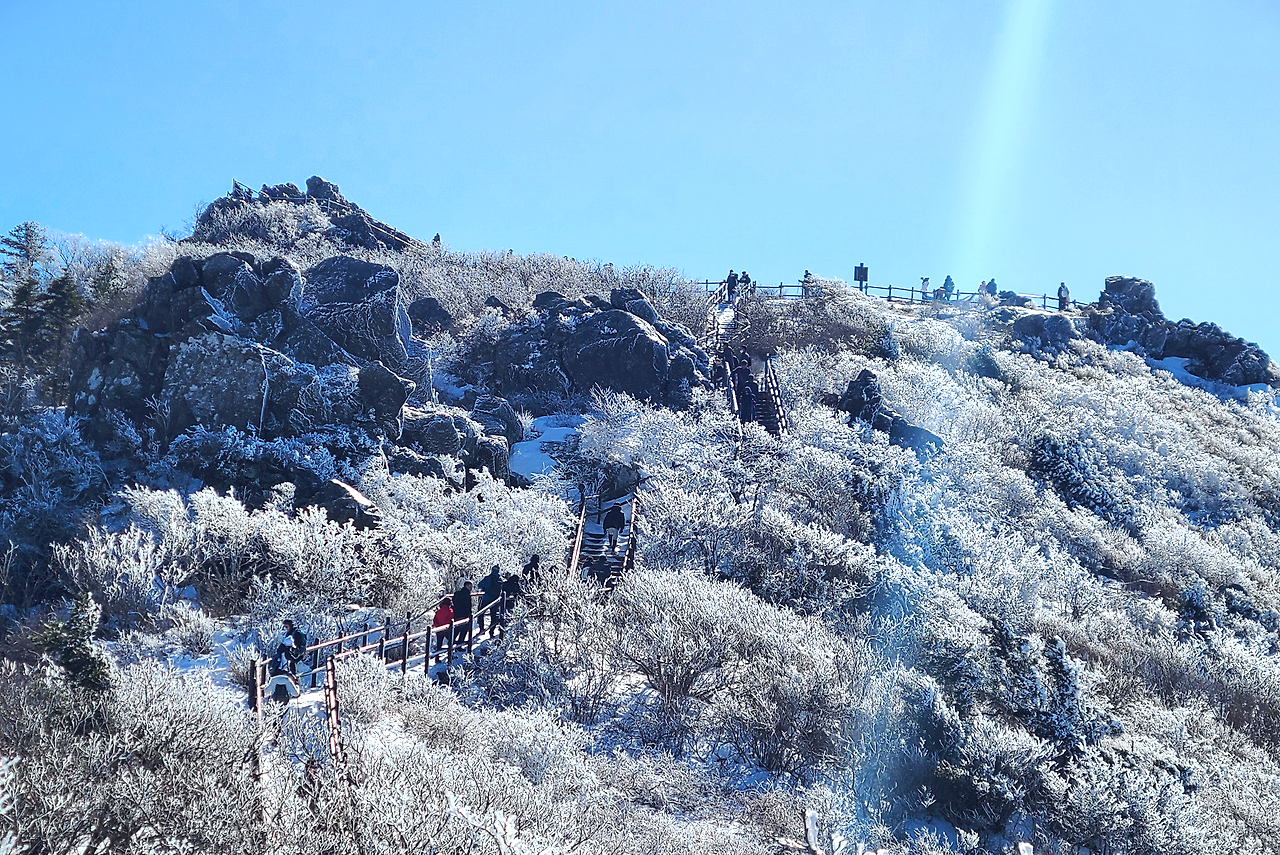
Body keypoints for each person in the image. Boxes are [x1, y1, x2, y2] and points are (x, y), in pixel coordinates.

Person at [477, 565, 503, 634]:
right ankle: (491, 631)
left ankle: (482, 629)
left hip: (486, 598)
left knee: (481, 613)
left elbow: (480, 585)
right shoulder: (500, 579)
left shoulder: (487, 578)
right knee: (493, 615)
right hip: (495, 600)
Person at [451, 581, 474, 648]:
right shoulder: (467, 594)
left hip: (456, 613)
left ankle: (451, 642)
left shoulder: (457, 593)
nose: (471, 588)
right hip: (464, 614)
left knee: (457, 629)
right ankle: (459, 645)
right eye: (470, 586)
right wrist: (469, 613)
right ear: (467, 586)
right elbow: (468, 605)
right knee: (464, 630)